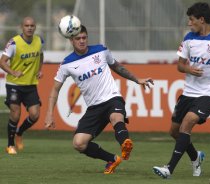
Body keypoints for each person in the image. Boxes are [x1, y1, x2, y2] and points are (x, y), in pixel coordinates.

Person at [44, 25, 153, 174]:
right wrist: (49, 113)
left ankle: (125, 145)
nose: (82, 41)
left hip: (112, 98)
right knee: (79, 143)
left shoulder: (101, 50)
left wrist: (137, 79)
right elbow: (55, 89)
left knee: (116, 118)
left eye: (84, 37)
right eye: (78, 38)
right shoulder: (67, 64)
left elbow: (118, 67)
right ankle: (112, 159)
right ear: (71, 40)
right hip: (94, 107)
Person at [153, 2, 210, 179]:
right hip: (188, 93)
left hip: (207, 94)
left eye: (191, 20)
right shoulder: (188, 38)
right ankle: (196, 157)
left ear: (201, 19)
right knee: (174, 132)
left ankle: (169, 169)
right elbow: (179, 65)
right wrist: (188, 69)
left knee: (187, 123)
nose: (189, 23)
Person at [0, 17, 44, 154]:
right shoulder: (14, 43)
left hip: (30, 84)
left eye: (32, 25)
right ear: (22, 27)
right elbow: (2, 62)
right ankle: (10, 145)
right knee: (16, 113)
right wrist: (13, 72)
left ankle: (19, 132)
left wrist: (40, 69)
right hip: (14, 84)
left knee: (35, 115)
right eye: (26, 25)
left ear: (35, 27)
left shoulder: (39, 41)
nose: (29, 28)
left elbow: (40, 55)